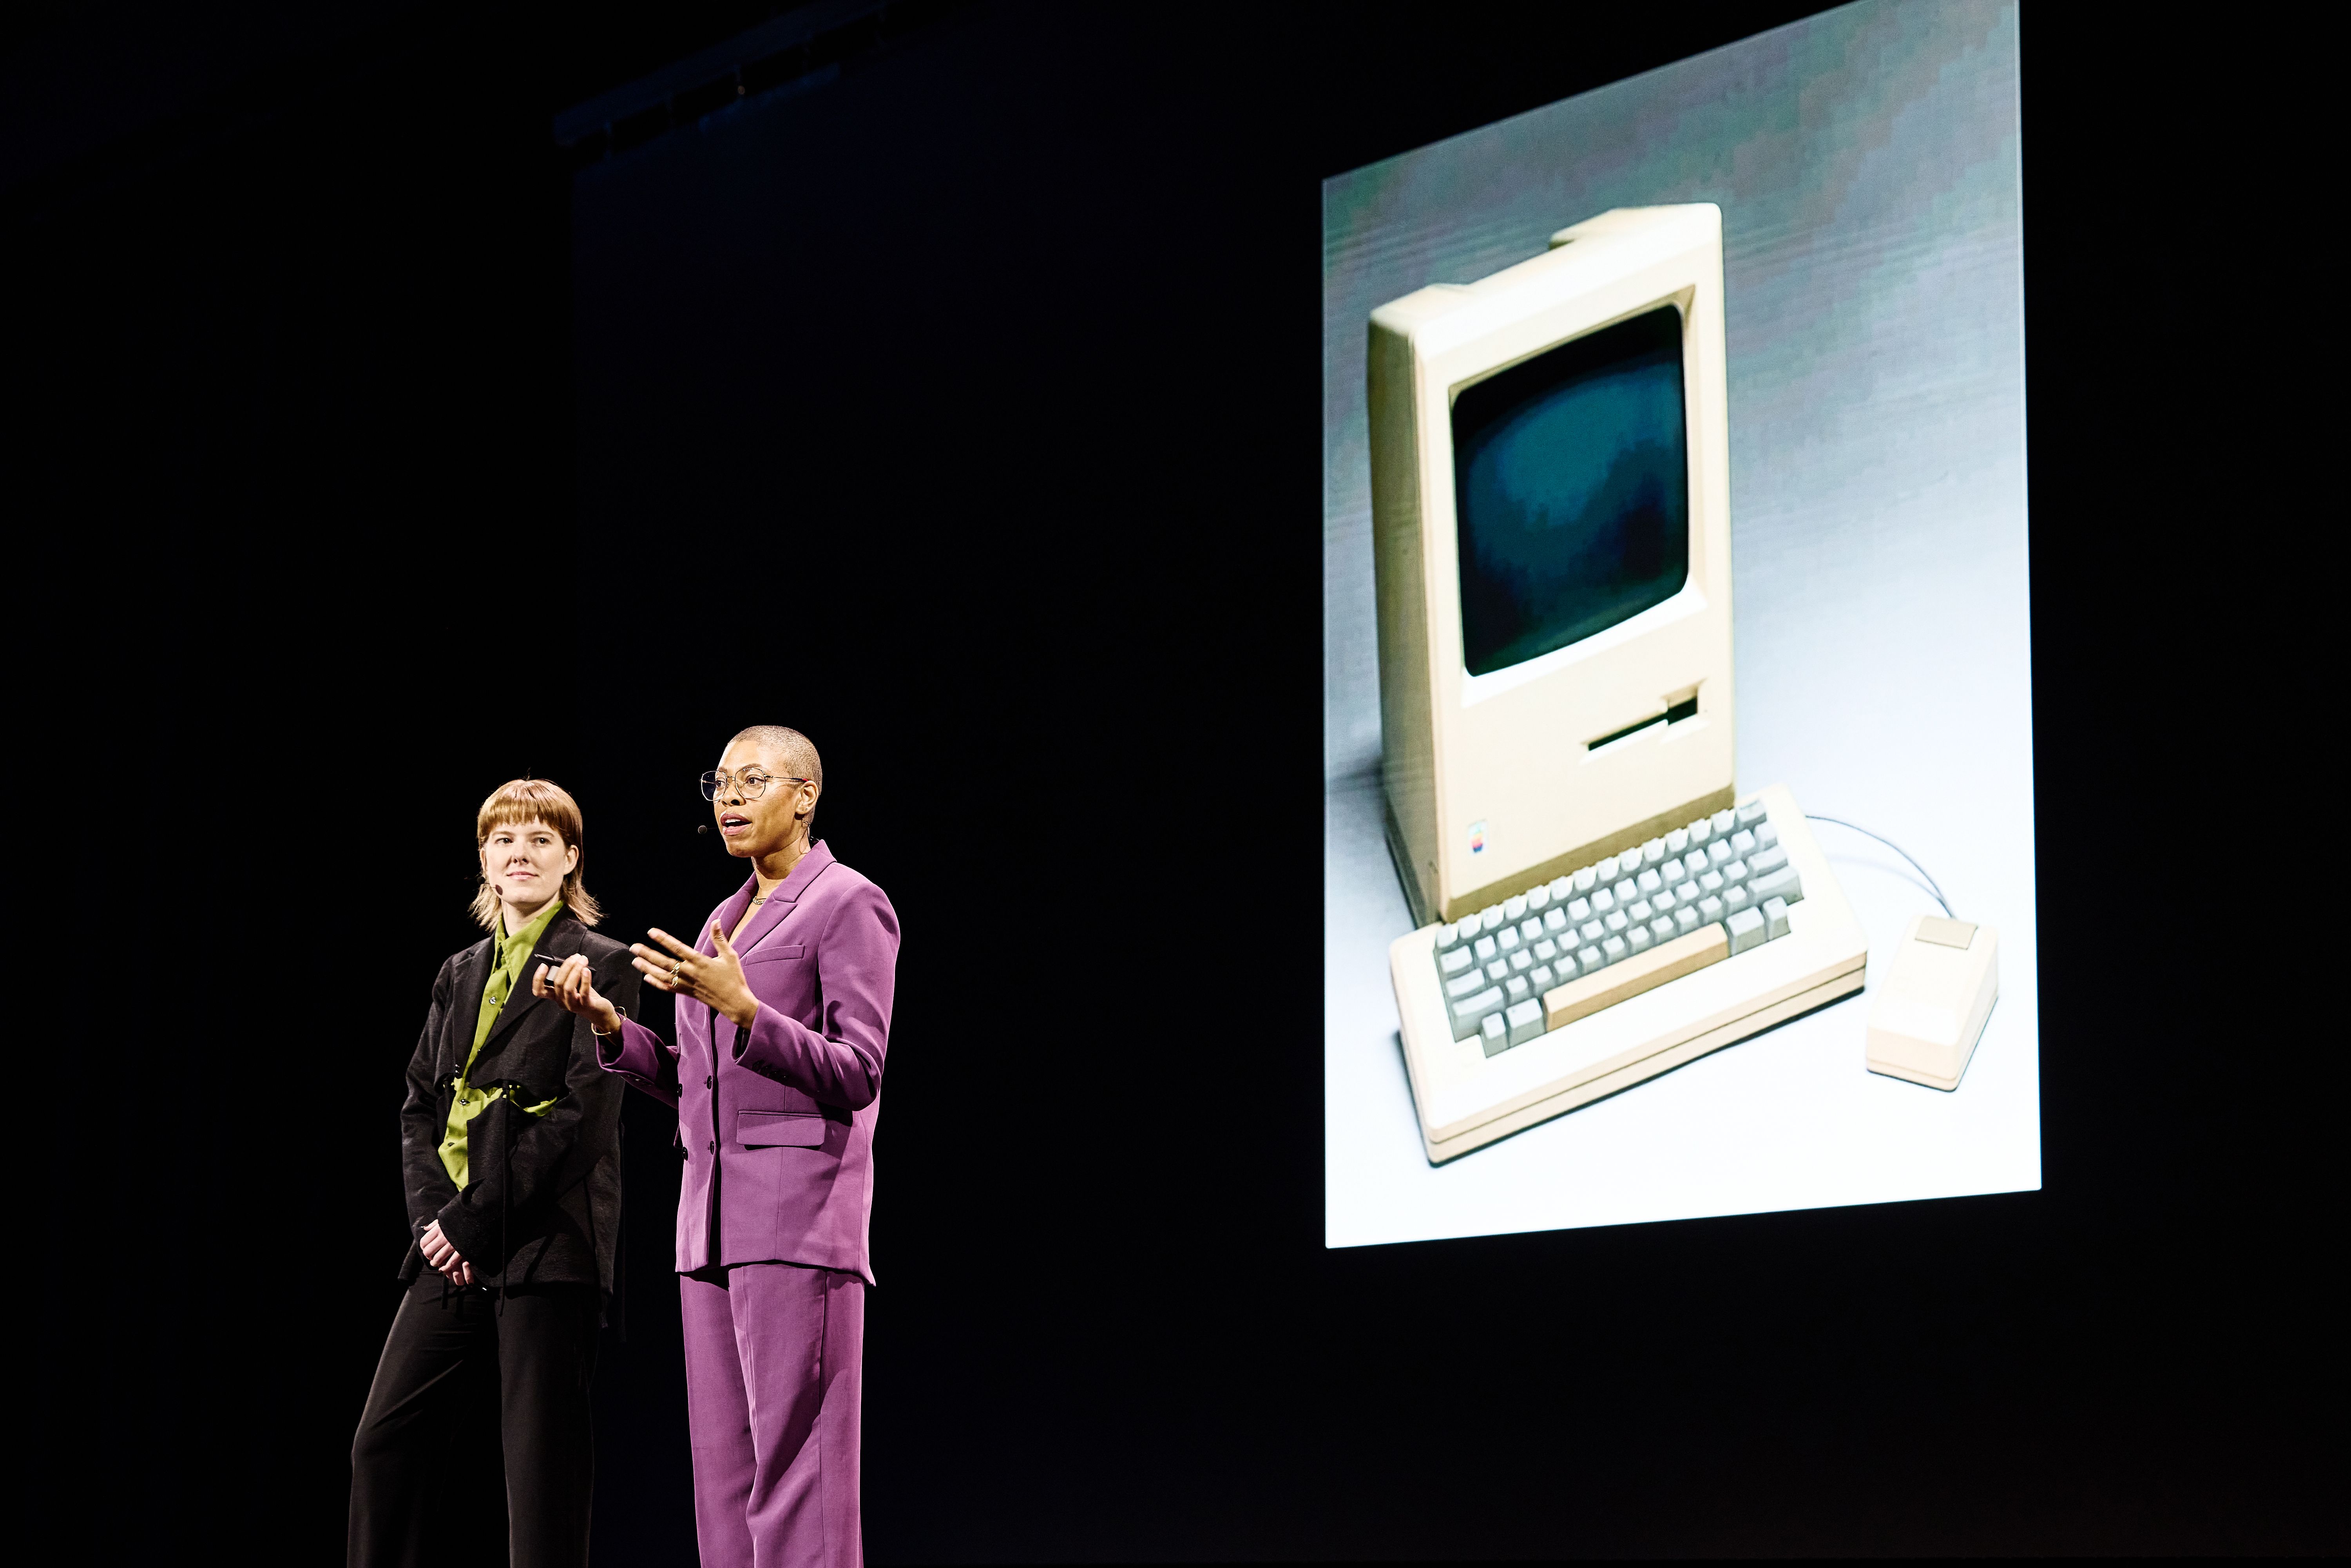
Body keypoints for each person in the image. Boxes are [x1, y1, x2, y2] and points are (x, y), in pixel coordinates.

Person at [542, 724, 898, 1568]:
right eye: (720, 783)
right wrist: (613, 1030)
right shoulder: (723, 918)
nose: (728, 799)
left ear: (804, 795)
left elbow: (858, 1071)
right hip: (709, 1228)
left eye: (751, 781)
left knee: (797, 1478)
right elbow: (700, 1082)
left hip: (799, 1224)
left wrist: (748, 1012)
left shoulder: (849, 902)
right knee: (726, 1483)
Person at [349, 778, 640, 1568]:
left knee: (541, 1476)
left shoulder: (605, 965)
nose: (521, 854)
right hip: (453, 1242)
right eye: (506, 840)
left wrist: (471, 1218)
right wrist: (434, 1225)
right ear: (483, 856)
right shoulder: (460, 970)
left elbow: (585, 1118)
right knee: (383, 1446)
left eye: (541, 840)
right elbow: (418, 1108)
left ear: (571, 858)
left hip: (547, 1244)